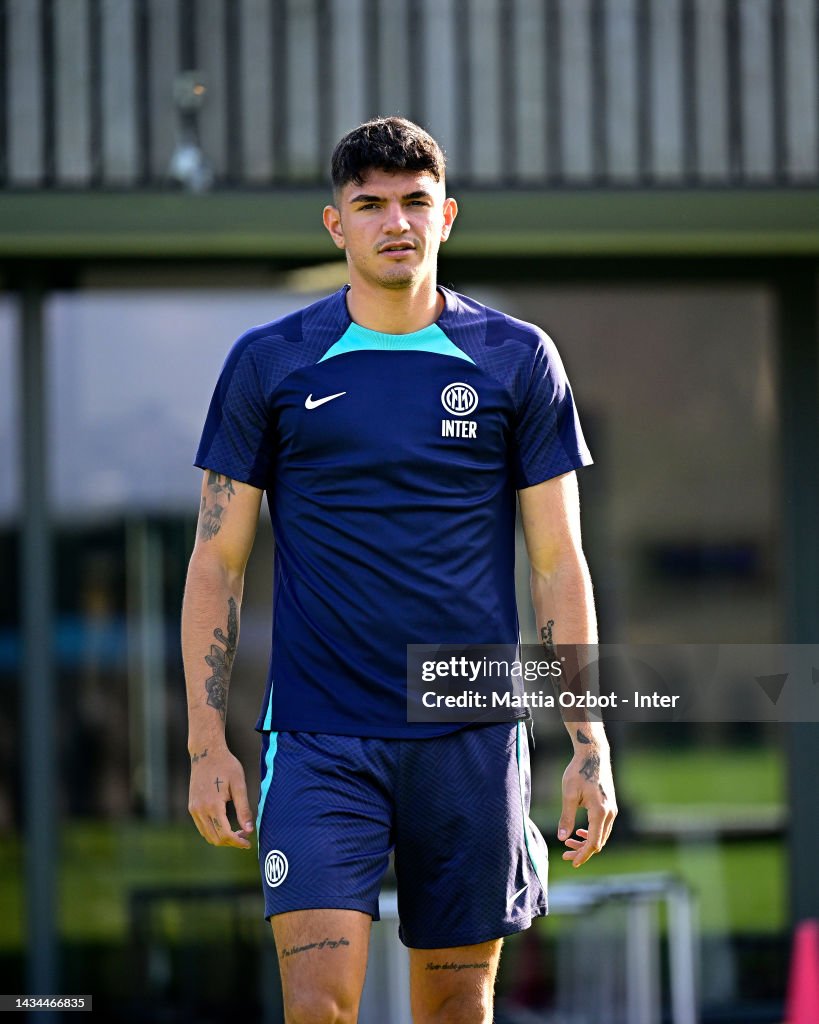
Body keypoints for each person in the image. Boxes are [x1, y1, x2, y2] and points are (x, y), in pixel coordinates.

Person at [182, 116, 617, 1024]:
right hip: (317, 736)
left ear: (447, 216)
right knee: (319, 1007)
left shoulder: (515, 358)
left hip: (468, 729)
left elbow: (557, 562)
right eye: (370, 203)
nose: (396, 222)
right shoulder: (272, 363)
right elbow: (218, 562)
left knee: (458, 1007)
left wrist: (588, 740)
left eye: (415, 202)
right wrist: (204, 741)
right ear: (335, 224)